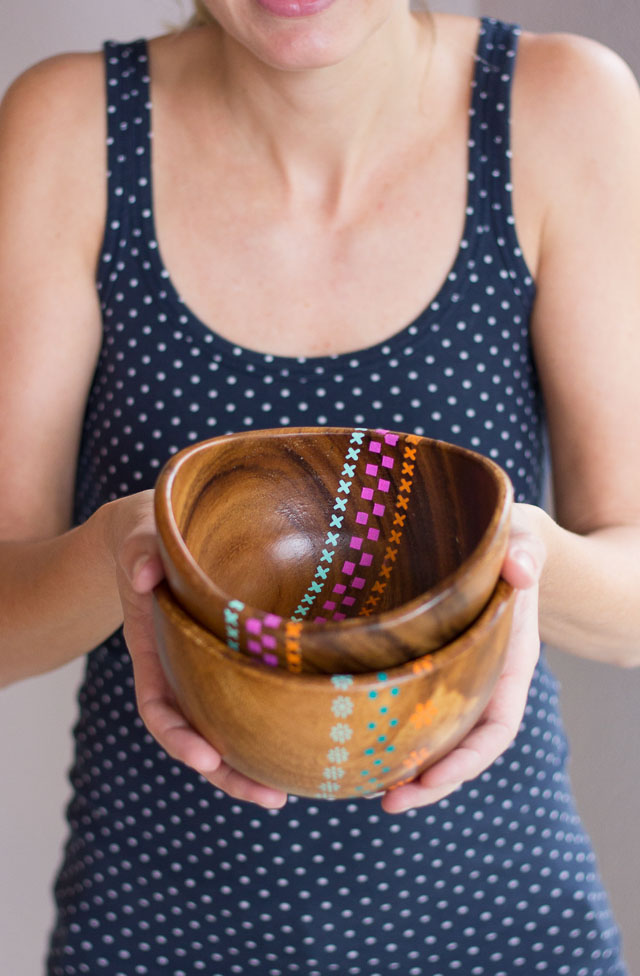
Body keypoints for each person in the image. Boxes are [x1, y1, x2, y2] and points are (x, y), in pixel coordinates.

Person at [1, 0, 639, 973]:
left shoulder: (562, 109)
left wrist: (516, 559)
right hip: (156, 931)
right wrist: (119, 553)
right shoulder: (66, 128)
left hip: (500, 928)